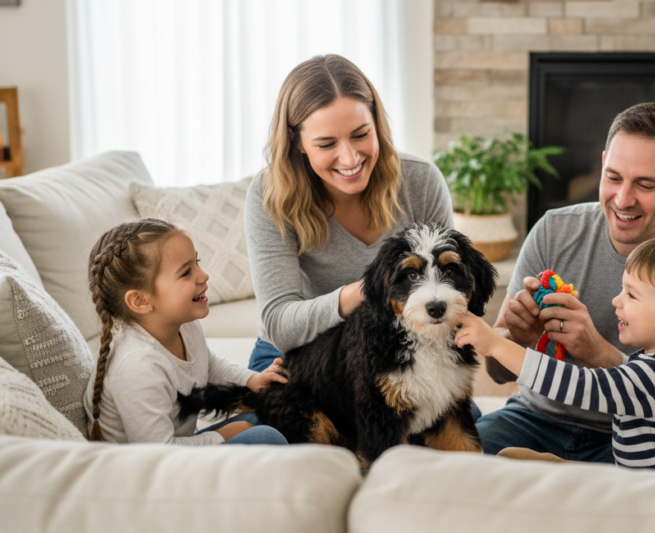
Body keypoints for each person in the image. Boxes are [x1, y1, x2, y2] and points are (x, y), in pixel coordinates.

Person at [477, 102, 655, 460]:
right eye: (614, 177)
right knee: (450, 466)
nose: (622, 199)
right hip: (534, 416)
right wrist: (522, 340)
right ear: (602, 165)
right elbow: (496, 374)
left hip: (632, 438)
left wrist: (595, 351)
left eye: (645, 184)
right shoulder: (553, 231)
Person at [457, 236, 655, 470]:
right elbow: (637, 381)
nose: (616, 300)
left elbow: (573, 385)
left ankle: (560, 472)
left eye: (631, 294)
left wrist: (494, 342)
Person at [245, 54, 454, 372]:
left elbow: (449, 284)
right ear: (296, 140)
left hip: (395, 346)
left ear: (376, 122)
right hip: (300, 353)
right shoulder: (269, 195)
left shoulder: (421, 181)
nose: (349, 158)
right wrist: (365, 290)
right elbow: (279, 324)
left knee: (466, 421)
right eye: (327, 144)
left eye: (360, 135)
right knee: (267, 423)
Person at [83, 218, 288, 445]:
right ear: (141, 300)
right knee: (266, 436)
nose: (204, 275)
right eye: (186, 272)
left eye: (197, 262)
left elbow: (208, 363)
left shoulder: (185, 324)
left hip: (178, 448)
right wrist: (223, 435)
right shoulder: (138, 366)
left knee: (266, 415)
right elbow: (160, 452)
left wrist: (253, 379)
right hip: (150, 469)